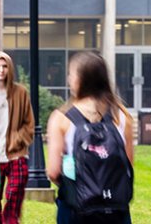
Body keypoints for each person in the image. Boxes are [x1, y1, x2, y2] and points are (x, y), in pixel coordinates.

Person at [46, 51, 135, 224]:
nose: (69, 79)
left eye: (71, 74)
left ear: (80, 79)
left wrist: (78, 187)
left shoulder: (61, 118)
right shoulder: (122, 116)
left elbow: (53, 171)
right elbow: (127, 165)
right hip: (116, 209)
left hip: (76, 209)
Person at [0, 51, 35, 224]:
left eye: (5, 66)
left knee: (13, 195)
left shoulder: (21, 93)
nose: (1, 70)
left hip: (15, 154)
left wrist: (16, 140)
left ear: (10, 68)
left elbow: (29, 125)